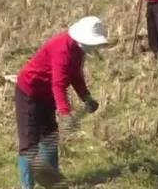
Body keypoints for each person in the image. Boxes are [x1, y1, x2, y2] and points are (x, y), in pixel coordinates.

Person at [14, 16, 105, 188]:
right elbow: (58, 83)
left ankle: (53, 183)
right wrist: (65, 113)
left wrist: (86, 96)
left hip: (46, 95)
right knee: (29, 145)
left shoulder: (78, 51)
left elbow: (75, 75)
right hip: (29, 93)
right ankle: (27, 186)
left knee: (49, 137)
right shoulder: (62, 49)